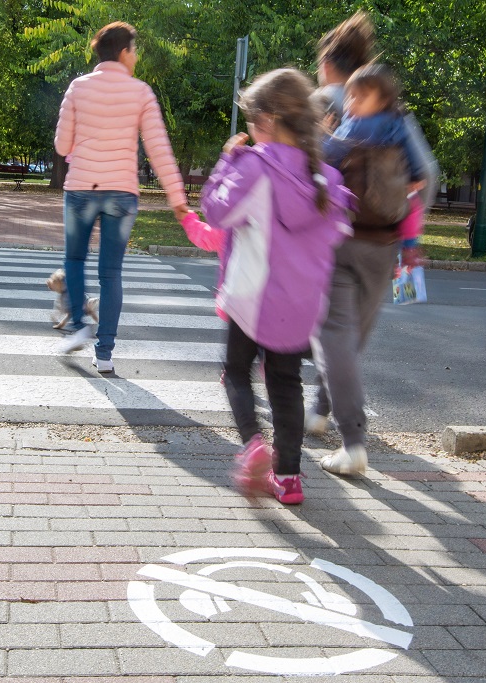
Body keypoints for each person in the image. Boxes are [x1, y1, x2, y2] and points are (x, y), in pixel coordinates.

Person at [187, 68, 353, 505]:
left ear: (268, 120)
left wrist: (228, 161)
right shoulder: (329, 181)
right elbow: (335, 236)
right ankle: (289, 478)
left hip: (251, 297)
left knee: (236, 372)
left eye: (250, 119)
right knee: (286, 385)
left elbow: (217, 214)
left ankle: (253, 445)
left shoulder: (255, 166)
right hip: (300, 304)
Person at [307, 13, 436, 477]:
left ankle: (351, 437)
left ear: (327, 63)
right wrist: (409, 232)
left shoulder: (326, 103)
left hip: (338, 238)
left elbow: (311, 161)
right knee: (350, 336)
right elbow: (426, 176)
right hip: (385, 243)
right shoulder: (399, 116)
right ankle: (320, 410)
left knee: (332, 334)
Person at [53, 21, 189, 373]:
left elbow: (61, 145)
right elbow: (158, 148)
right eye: (135, 49)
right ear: (125, 52)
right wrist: (176, 197)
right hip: (121, 193)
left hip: (81, 188)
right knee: (111, 273)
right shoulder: (141, 92)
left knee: (74, 261)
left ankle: (79, 324)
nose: (137, 55)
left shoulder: (77, 88)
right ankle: (106, 353)